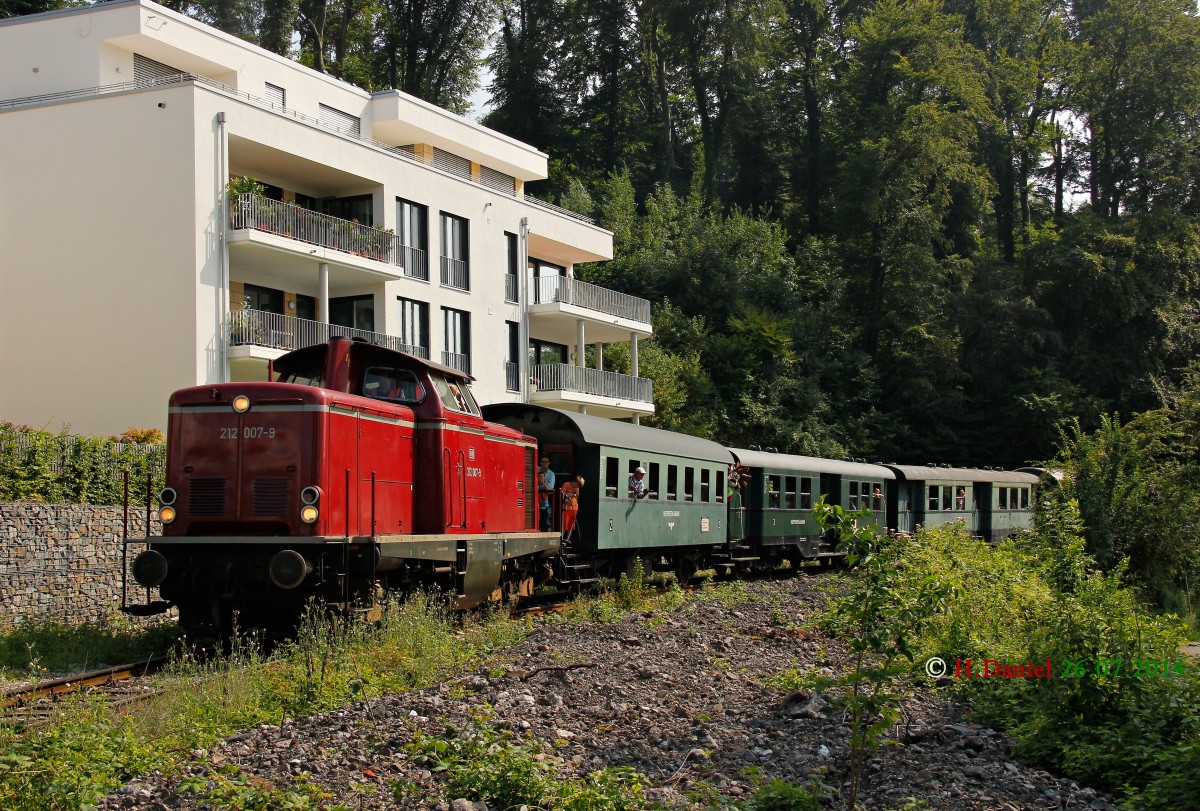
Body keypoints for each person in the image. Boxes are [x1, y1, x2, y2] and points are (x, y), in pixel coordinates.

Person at [538, 457, 555, 531]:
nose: (544, 463)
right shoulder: (536, 469)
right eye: (543, 461)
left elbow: (550, 489)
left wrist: (543, 483)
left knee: (546, 520)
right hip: (536, 502)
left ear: (549, 463)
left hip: (545, 502)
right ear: (540, 463)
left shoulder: (551, 474)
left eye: (546, 461)